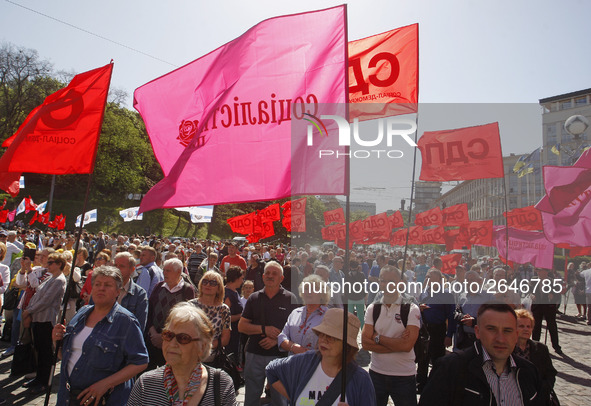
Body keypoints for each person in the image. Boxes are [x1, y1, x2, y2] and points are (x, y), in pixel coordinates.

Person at [52, 265, 149, 405]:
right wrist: (56, 341)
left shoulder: (126, 321)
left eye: (107, 285)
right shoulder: (81, 313)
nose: (101, 288)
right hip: (68, 397)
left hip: (103, 399)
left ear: (117, 291)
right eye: (97, 284)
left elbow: (140, 362)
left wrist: (105, 384)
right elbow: (65, 355)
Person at [418, 302, 545, 406]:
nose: (500, 338)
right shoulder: (450, 368)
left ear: (516, 335)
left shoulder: (529, 371)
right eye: (491, 329)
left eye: (507, 330)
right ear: (477, 332)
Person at [128, 302, 237, 405]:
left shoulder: (220, 384)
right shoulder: (145, 384)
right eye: (168, 335)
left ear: (202, 347)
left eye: (183, 338)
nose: (172, 344)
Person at [266, 308, 377, 406]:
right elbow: (271, 370)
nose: (324, 339)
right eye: (322, 334)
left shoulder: (361, 379)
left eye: (332, 337)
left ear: (347, 345)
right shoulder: (305, 361)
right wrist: (294, 396)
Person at [238, 261, 298, 406]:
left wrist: (278, 340)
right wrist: (264, 329)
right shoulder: (254, 298)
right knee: (251, 397)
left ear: (281, 278)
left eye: (274, 273)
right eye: (268, 273)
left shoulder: (291, 299)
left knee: (280, 400)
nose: (270, 276)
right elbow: (241, 326)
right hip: (255, 355)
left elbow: (296, 332)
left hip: (280, 357)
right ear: (263, 277)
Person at [362, 266, 420, 406]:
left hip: (404, 376)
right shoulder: (373, 308)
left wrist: (378, 338)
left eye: (391, 281)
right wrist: (397, 344)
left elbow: (407, 346)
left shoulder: (411, 308)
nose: (386, 284)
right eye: (383, 280)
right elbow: (365, 343)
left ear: (400, 283)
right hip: (377, 373)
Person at [19, 252, 68, 394]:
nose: (48, 265)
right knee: (39, 350)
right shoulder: (50, 278)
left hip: (47, 320)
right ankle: (39, 378)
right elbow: (36, 293)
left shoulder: (59, 280)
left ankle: (45, 382)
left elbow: (46, 300)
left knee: (46, 353)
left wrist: (30, 311)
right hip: (38, 318)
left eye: (51, 262)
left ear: (59, 264)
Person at [146, 258, 197, 369]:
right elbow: (149, 311)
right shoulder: (158, 287)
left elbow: (186, 318)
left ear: (178, 272)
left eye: (168, 271)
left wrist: (164, 337)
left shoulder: (187, 290)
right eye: (164, 270)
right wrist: (153, 333)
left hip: (172, 342)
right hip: (152, 339)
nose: (164, 273)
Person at [514, 309, 558, 404]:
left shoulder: (541, 349)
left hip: (538, 397)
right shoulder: (507, 349)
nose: (526, 329)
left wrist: (543, 390)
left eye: (529, 326)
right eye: (521, 326)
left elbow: (550, 373)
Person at [278, 274, 329, 355]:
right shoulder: (295, 313)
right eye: (306, 288)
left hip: (316, 364)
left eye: (313, 289)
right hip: (292, 364)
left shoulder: (328, 316)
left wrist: (309, 355)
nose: (309, 292)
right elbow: (282, 337)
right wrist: (293, 347)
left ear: (322, 293)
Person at [189, 270, 231, 362]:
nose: (208, 285)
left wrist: (207, 346)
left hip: (213, 359)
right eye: (205, 282)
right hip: (190, 355)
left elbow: (225, 338)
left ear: (219, 288)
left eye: (212, 283)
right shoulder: (190, 306)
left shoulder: (224, 309)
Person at [113, 252, 149, 331]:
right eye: (115, 266)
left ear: (132, 269)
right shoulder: (103, 288)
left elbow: (138, 328)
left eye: (122, 266)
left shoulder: (140, 295)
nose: (117, 269)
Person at [531, 268, 562, 354]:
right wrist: (531, 295)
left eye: (541, 271)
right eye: (538, 271)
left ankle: (556, 346)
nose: (539, 273)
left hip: (549, 307)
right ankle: (535, 345)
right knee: (536, 326)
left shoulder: (552, 281)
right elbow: (529, 290)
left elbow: (558, 294)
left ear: (546, 272)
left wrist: (553, 297)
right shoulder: (533, 280)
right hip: (537, 306)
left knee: (552, 326)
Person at [224, 266, 244, 357]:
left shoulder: (235, 292)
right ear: (236, 278)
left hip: (236, 332)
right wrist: (241, 316)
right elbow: (225, 319)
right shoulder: (227, 294)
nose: (242, 281)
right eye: (241, 278)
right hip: (229, 334)